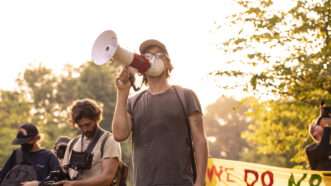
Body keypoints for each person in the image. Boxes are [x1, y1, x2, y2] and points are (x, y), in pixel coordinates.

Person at [112, 39, 208, 186]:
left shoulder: (185, 96)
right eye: (148, 56)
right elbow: (119, 135)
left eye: (159, 55)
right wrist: (122, 92)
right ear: (141, 67)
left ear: (168, 63)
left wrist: (200, 181)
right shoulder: (133, 102)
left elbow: (200, 140)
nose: (154, 59)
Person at [58, 98, 121, 186]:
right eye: (80, 126)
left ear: (96, 119)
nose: (85, 129)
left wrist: (75, 184)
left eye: (88, 124)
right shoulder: (73, 143)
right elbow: (65, 174)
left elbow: (107, 178)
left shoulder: (109, 140)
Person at [306, 103, 331, 170]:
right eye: (316, 125)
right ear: (314, 133)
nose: (320, 125)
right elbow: (323, 149)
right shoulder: (310, 149)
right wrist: (327, 126)